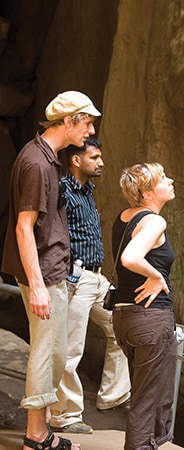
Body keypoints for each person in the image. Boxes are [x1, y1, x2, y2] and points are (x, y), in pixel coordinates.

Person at [2, 90, 101, 450]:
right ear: (68, 121)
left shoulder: (46, 158)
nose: (90, 130)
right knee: (47, 353)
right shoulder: (38, 164)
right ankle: (36, 437)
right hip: (43, 272)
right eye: (87, 122)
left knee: (55, 352)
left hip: (53, 270)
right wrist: (39, 285)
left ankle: (41, 432)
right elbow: (23, 228)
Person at [49, 137, 131, 434]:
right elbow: (49, 233)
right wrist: (67, 273)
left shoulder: (87, 191)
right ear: (76, 160)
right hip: (77, 277)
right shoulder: (63, 191)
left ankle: (113, 395)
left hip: (97, 278)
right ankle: (65, 415)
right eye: (95, 157)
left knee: (121, 329)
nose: (101, 162)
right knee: (70, 349)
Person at [111, 162, 177, 450]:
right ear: (148, 192)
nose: (170, 180)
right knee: (148, 401)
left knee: (143, 395)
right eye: (164, 178)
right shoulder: (154, 221)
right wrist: (157, 275)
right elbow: (130, 258)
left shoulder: (125, 217)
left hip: (125, 317)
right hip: (150, 319)